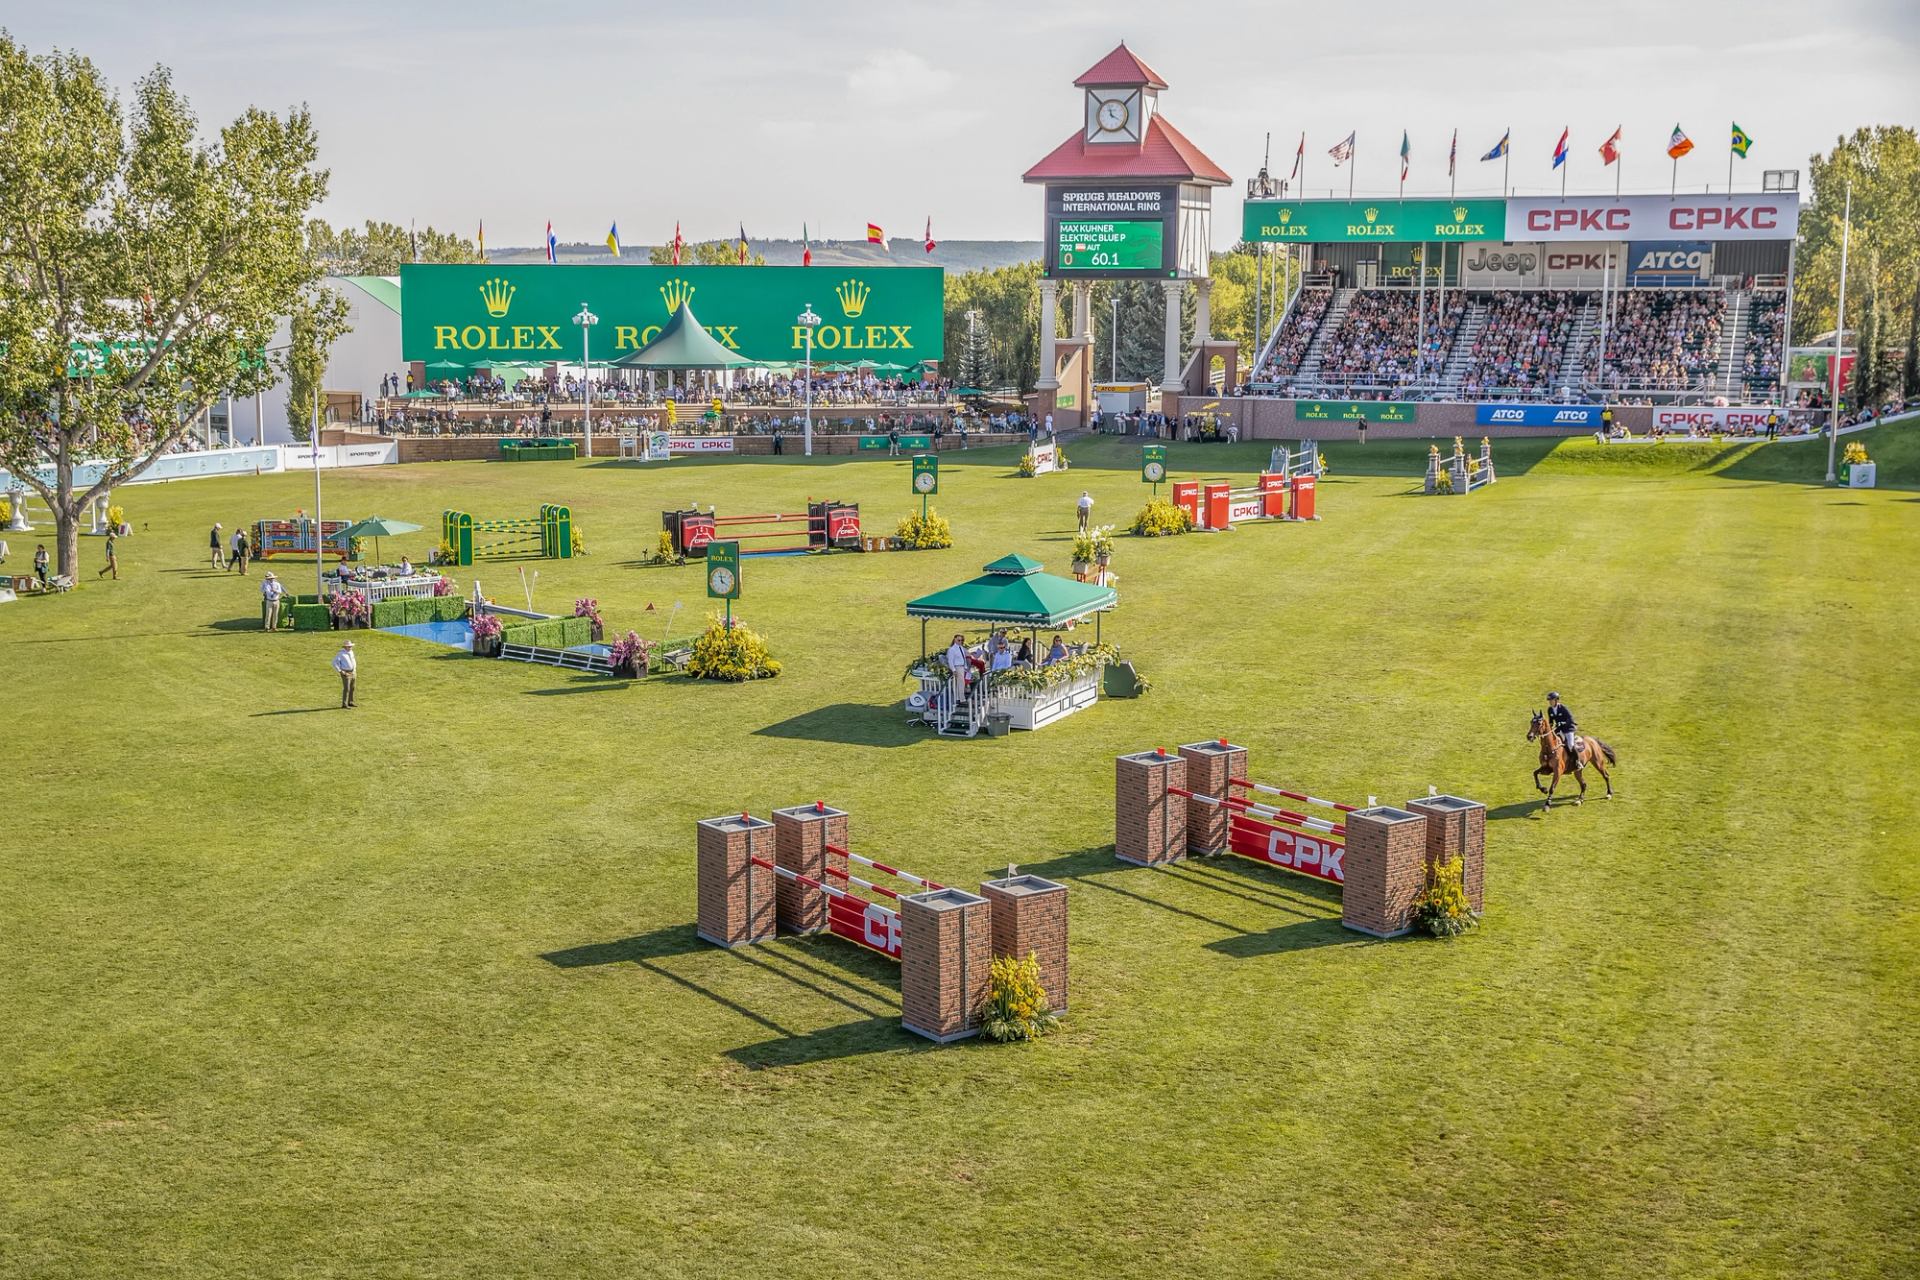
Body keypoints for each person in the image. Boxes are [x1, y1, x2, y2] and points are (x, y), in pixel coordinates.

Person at [1546, 691, 1578, 760]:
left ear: (1556, 700)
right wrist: (1549, 728)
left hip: (1568, 729)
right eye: (1549, 701)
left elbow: (1570, 718)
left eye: (1552, 700)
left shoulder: (1563, 708)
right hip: (1559, 729)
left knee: (1570, 745)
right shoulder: (1550, 710)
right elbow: (1551, 721)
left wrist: (1563, 723)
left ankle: (1577, 761)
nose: (1550, 702)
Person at [334, 640, 358, 708]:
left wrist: (354, 670)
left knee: (352, 688)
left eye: (351, 646)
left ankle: (350, 702)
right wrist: (341, 671)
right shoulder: (341, 654)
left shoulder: (351, 652)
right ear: (345, 647)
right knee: (347, 688)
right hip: (346, 673)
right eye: (349, 646)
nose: (350, 647)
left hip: (353, 672)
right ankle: (344, 704)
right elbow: (334, 663)